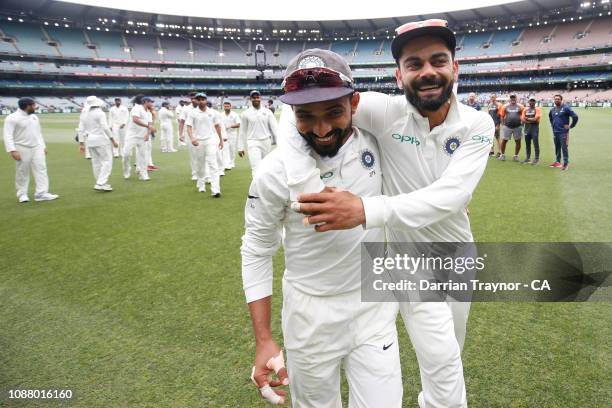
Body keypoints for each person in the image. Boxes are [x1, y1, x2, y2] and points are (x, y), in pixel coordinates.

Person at [280, 20, 496, 407]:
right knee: (443, 357)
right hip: (409, 261)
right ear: (400, 75)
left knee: (450, 355)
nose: (428, 71)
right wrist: (304, 183)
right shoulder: (385, 112)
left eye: (438, 61)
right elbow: (294, 112)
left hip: (460, 255)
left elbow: (451, 196)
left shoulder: (478, 124)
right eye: (414, 64)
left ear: (455, 68)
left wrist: (364, 209)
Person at [242, 49, 401, 407]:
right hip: (309, 316)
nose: (322, 129)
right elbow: (255, 251)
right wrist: (263, 338)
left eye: (334, 112)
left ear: (354, 103)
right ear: (291, 114)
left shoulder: (377, 145)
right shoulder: (273, 172)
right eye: (306, 116)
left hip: (373, 307)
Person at [3, 97, 59, 203]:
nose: (35, 107)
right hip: (21, 148)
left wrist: (43, 146)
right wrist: (12, 150)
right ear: (27, 106)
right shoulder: (12, 118)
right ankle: (22, 194)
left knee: (41, 169)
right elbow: (7, 135)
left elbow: (38, 133)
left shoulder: (34, 117)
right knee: (22, 172)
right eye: (33, 105)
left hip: (37, 147)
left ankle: (41, 193)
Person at [185, 93, 223, 197]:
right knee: (200, 165)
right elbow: (189, 126)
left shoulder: (212, 112)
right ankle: (201, 183)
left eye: (203, 99)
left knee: (213, 165)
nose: (201, 101)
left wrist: (221, 139)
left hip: (210, 140)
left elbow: (217, 126)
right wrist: (192, 138)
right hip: (198, 142)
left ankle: (216, 190)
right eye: (199, 99)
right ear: (196, 101)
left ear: (206, 100)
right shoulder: (192, 113)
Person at [78, 96, 118, 191]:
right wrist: (112, 139)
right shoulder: (100, 113)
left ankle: (100, 182)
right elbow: (105, 127)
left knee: (96, 162)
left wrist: (81, 143)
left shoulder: (83, 113)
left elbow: (80, 129)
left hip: (89, 140)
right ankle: (101, 183)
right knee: (107, 161)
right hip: (101, 139)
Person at [237, 90, 279, 177]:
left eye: (257, 97)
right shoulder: (246, 113)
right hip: (253, 142)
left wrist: (280, 144)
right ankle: (256, 190)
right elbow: (242, 131)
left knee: (266, 167)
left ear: (260, 98)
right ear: (250, 99)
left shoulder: (268, 112)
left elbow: (275, 129)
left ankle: (264, 188)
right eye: (253, 97)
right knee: (256, 167)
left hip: (266, 142)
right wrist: (240, 147)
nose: (256, 99)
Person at [123, 95, 153, 181]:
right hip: (131, 135)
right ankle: (126, 170)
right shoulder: (137, 108)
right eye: (150, 102)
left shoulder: (149, 113)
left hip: (142, 136)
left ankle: (143, 174)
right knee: (126, 154)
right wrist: (148, 126)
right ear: (145, 102)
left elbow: (150, 125)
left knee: (142, 155)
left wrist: (148, 134)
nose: (152, 104)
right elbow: (135, 120)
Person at [548, 94, 578, 171]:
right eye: (555, 99)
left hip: (563, 132)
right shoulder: (552, 109)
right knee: (557, 147)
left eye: (558, 99)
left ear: (561, 100)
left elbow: (575, 116)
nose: (557, 100)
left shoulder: (566, 108)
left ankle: (565, 164)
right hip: (555, 132)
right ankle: (558, 162)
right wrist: (553, 126)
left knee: (564, 148)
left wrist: (571, 126)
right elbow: (551, 118)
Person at [498, 94, 524, 162]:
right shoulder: (505, 106)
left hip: (518, 127)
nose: (513, 99)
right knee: (504, 141)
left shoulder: (520, 106)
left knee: (518, 141)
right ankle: (502, 155)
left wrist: (522, 124)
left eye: (514, 98)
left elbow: (523, 115)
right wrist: (503, 124)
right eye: (511, 98)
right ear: (510, 99)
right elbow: (502, 116)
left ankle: (516, 156)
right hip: (507, 126)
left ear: (516, 98)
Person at [179, 92, 199, 180]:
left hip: (203, 134)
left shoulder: (203, 108)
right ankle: (195, 173)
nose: (193, 100)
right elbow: (182, 122)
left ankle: (205, 173)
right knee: (193, 155)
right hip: (190, 134)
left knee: (204, 154)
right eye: (192, 98)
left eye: (195, 98)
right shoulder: (186, 109)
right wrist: (180, 134)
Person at [521, 97, 541, 165]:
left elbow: (536, 119)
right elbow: (522, 119)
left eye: (533, 101)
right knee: (527, 144)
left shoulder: (537, 109)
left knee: (535, 143)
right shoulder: (525, 109)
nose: (532, 102)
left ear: (535, 102)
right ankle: (528, 158)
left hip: (534, 128)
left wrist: (527, 119)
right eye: (531, 101)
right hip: (527, 129)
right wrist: (530, 120)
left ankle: (536, 159)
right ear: (529, 102)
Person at [222, 101, 240, 170]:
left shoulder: (235, 114)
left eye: (227, 106)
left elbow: (238, 124)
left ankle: (232, 162)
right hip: (223, 134)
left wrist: (229, 126)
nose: (226, 107)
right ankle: (226, 163)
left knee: (232, 149)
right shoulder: (221, 115)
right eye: (225, 106)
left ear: (230, 107)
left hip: (232, 134)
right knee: (224, 149)